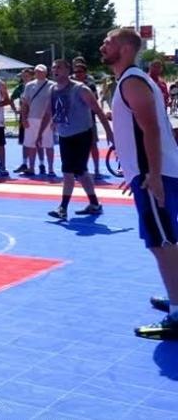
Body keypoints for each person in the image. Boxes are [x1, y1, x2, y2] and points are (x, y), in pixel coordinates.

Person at [100, 28, 178, 339]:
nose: (103, 46)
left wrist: (153, 175)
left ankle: (177, 312)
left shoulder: (132, 81)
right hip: (150, 173)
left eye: (110, 42)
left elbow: (151, 130)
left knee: (162, 243)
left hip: (154, 176)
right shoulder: (131, 81)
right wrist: (135, 171)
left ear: (127, 49)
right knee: (166, 240)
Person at [39, 59, 114, 220]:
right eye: (53, 67)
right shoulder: (52, 89)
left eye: (59, 67)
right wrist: (40, 133)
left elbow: (98, 110)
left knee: (69, 172)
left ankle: (63, 208)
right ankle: (94, 204)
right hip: (64, 135)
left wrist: (108, 131)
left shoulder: (80, 89)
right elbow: (48, 113)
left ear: (68, 70)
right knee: (80, 172)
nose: (55, 70)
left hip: (81, 134)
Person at [20, 65, 55, 176]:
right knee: (31, 144)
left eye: (41, 72)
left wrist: (55, 120)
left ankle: (50, 168)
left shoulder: (53, 85)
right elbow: (25, 104)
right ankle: (31, 167)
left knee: (48, 145)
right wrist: (24, 118)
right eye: (37, 72)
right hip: (32, 118)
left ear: (46, 73)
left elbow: (56, 104)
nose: (39, 74)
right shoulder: (29, 85)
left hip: (47, 119)